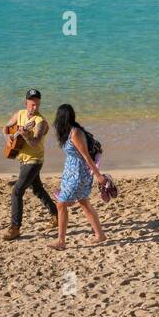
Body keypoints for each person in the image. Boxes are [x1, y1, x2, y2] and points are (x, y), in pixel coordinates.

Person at [47, 103, 107, 250]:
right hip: (70, 173)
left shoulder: (75, 133)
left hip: (79, 174)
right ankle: (100, 235)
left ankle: (61, 241)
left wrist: (98, 175)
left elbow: (86, 157)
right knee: (83, 202)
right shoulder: (68, 132)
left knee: (61, 204)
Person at [2, 88, 58, 242]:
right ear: (25, 103)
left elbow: (35, 143)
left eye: (38, 105)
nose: (35, 108)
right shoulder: (19, 114)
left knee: (17, 191)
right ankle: (56, 215)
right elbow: (5, 128)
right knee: (38, 189)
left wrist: (26, 134)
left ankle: (15, 228)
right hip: (23, 159)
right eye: (32, 104)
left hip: (34, 161)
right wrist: (8, 137)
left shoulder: (40, 122)